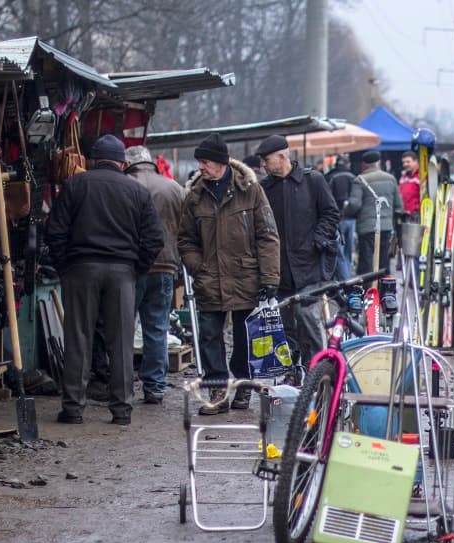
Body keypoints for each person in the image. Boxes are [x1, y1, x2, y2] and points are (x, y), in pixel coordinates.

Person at [46, 135, 163, 426]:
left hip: (81, 270)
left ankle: (73, 409)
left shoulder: (74, 185)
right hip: (122, 273)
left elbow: (55, 231)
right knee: (121, 343)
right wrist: (136, 270)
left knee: (78, 339)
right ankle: (122, 410)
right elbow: (154, 239)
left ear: (92, 160)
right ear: (123, 163)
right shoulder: (136, 191)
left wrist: (66, 267)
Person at [178, 133, 281, 415]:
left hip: (245, 276)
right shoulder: (195, 196)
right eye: (199, 162)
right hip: (210, 278)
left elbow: (268, 236)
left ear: (222, 163)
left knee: (244, 337)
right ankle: (218, 389)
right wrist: (197, 266)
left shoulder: (251, 190)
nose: (201, 167)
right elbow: (185, 238)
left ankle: (243, 387)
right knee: (210, 335)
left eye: (206, 162)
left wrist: (270, 278)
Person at [257, 134, 339, 368]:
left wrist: (318, 239)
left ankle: (315, 370)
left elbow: (331, 213)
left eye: (266, 159)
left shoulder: (312, 180)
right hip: (279, 269)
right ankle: (290, 373)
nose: (263, 165)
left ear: (282, 157)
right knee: (283, 325)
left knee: (307, 319)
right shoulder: (265, 189)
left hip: (309, 266)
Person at [124, 145, 186, 405]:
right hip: (165, 267)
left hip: (131, 268)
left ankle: (123, 386)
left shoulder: (125, 185)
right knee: (157, 329)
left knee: (124, 329)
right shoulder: (174, 188)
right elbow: (186, 230)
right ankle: (155, 386)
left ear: (129, 163)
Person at [344, 149, 404, 276]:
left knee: (366, 262)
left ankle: (367, 292)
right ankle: (384, 291)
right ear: (379, 162)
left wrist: (346, 211)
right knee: (383, 261)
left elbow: (355, 204)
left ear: (364, 164)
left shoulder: (359, 180)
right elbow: (399, 205)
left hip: (367, 228)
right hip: (386, 227)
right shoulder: (391, 179)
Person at [326, 155, 356, 280]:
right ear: (348, 164)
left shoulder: (330, 177)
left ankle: (344, 279)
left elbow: (327, 198)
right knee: (349, 250)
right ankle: (347, 276)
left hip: (337, 219)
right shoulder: (353, 177)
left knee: (340, 252)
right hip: (351, 218)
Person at [399, 150, 421, 222]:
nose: (405, 164)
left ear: (416, 161)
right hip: (404, 215)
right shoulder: (403, 177)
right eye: (403, 162)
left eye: (408, 162)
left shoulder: (421, 176)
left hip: (416, 215)